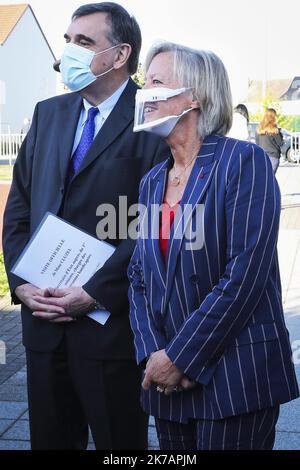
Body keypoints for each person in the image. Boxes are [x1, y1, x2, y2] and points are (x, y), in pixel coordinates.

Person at [3, 2, 167, 450]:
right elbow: (19, 209)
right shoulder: (48, 112)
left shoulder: (155, 118)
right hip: (42, 325)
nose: (68, 53)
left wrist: (95, 293)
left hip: (109, 332)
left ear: (119, 55)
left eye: (85, 42)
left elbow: (159, 224)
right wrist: (20, 283)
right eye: (68, 40)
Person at [128, 41, 299, 451]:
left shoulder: (243, 162)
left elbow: (244, 276)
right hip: (169, 384)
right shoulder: (153, 181)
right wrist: (154, 355)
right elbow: (138, 276)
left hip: (234, 378)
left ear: (195, 96)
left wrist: (181, 357)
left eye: (156, 81)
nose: (144, 91)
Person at [256, 108, 283, 173]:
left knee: (264, 178)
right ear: (273, 117)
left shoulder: (259, 129)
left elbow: (257, 143)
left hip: (262, 156)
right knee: (271, 178)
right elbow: (280, 143)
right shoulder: (274, 130)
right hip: (273, 157)